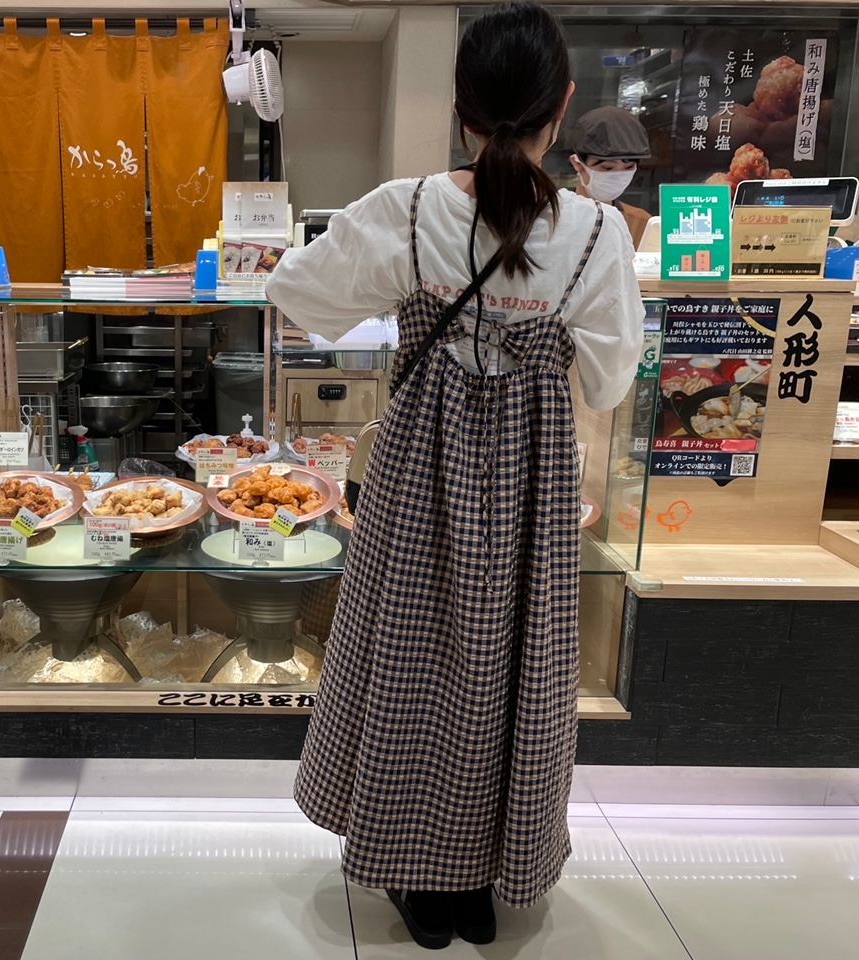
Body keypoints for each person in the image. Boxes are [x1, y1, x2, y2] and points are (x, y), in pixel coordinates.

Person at [266, 2, 643, 950]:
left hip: (417, 476)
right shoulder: (599, 234)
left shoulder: (410, 207)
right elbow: (608, 378)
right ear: (561, 106)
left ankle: (417, 876)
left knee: (409, 660)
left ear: (461, 109)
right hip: (532, 494)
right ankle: (491, 870)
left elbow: (297, 296)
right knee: (515, 671)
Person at [569, 105, 653, 247]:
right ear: (577, 164)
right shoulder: (551, 221)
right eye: (607, 168)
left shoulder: (641, 224)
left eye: (628, 167)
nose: (618, 175)